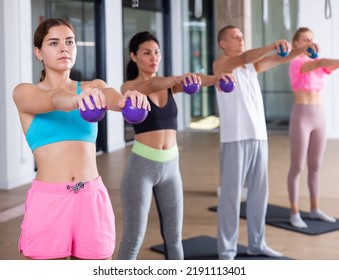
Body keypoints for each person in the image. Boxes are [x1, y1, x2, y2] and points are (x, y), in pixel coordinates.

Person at [12, 18, 149, 260]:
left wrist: (130, 99)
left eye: (70, 42)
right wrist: (77, 100)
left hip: (91, 199)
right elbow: (54, 99)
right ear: (38, 52)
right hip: (49, 203)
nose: (64, 48)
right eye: (54, 43)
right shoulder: (24, 92)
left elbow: (113, 98)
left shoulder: (93, 87)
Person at [117, 31, 234, 260]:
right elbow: (151, 84)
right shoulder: (129, 88)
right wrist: (178, 79)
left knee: (174, 239)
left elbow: (194, 79)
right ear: (134, 56)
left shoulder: (169, 86)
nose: (153, 57)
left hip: (171, 167)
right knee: (134, 239)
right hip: (141, 169)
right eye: (147, 53)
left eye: (157, 52)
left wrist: (216, 79)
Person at [212, 25, 316, 260]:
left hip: (259, 136)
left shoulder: (251, 67)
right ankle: (227, 251)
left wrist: (303, 49)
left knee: (260, 194)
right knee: (230, 196)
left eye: (242, 36)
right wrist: (271, 45)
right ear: (223, 43)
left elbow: (281, 59)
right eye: (235, 37)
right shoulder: (220, 66)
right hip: (234, 139)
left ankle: (257, 244)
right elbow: (245, 56)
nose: (241, 39)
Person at [287, 27, 339, 228]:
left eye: (312, 39)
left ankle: (315, 209)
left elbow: (327, 65)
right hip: (301, 116)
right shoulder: (296, 63)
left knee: (315, 166)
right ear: (297, 44)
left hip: (319, 117)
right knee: (297, 167)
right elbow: (321, 62)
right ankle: (294, 212)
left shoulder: (318, 65)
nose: (310, 42)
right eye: (305, 39)